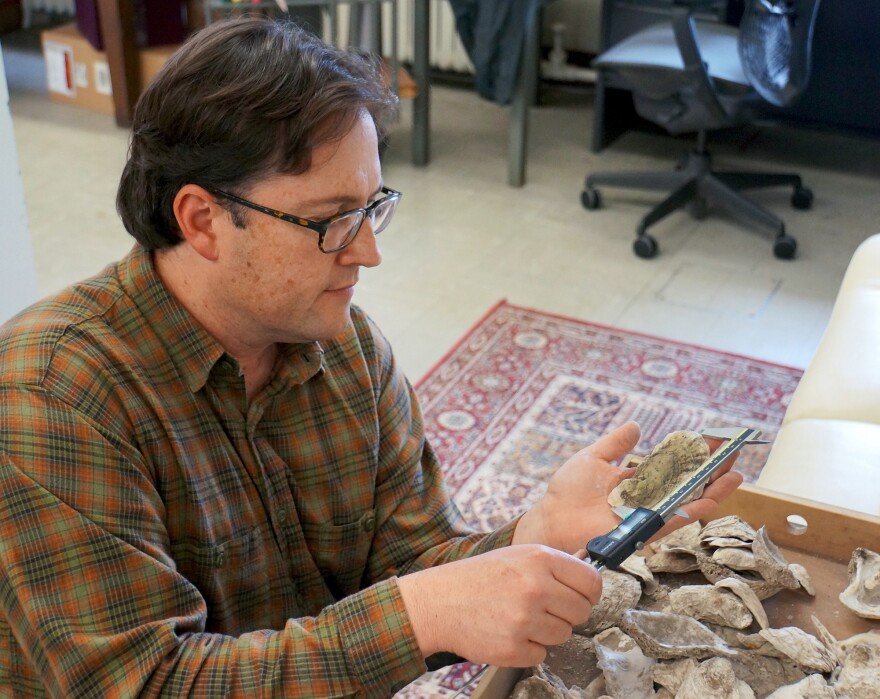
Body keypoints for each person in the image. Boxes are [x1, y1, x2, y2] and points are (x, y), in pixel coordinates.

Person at [0, 16, 742, 698]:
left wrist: (535, 533)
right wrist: (417, 616)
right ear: (202, 220)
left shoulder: (344, 345)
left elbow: (412, 558)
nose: (369, 251)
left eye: (371, 207)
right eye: (329, 221)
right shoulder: (53, 392)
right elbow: (142, 683)